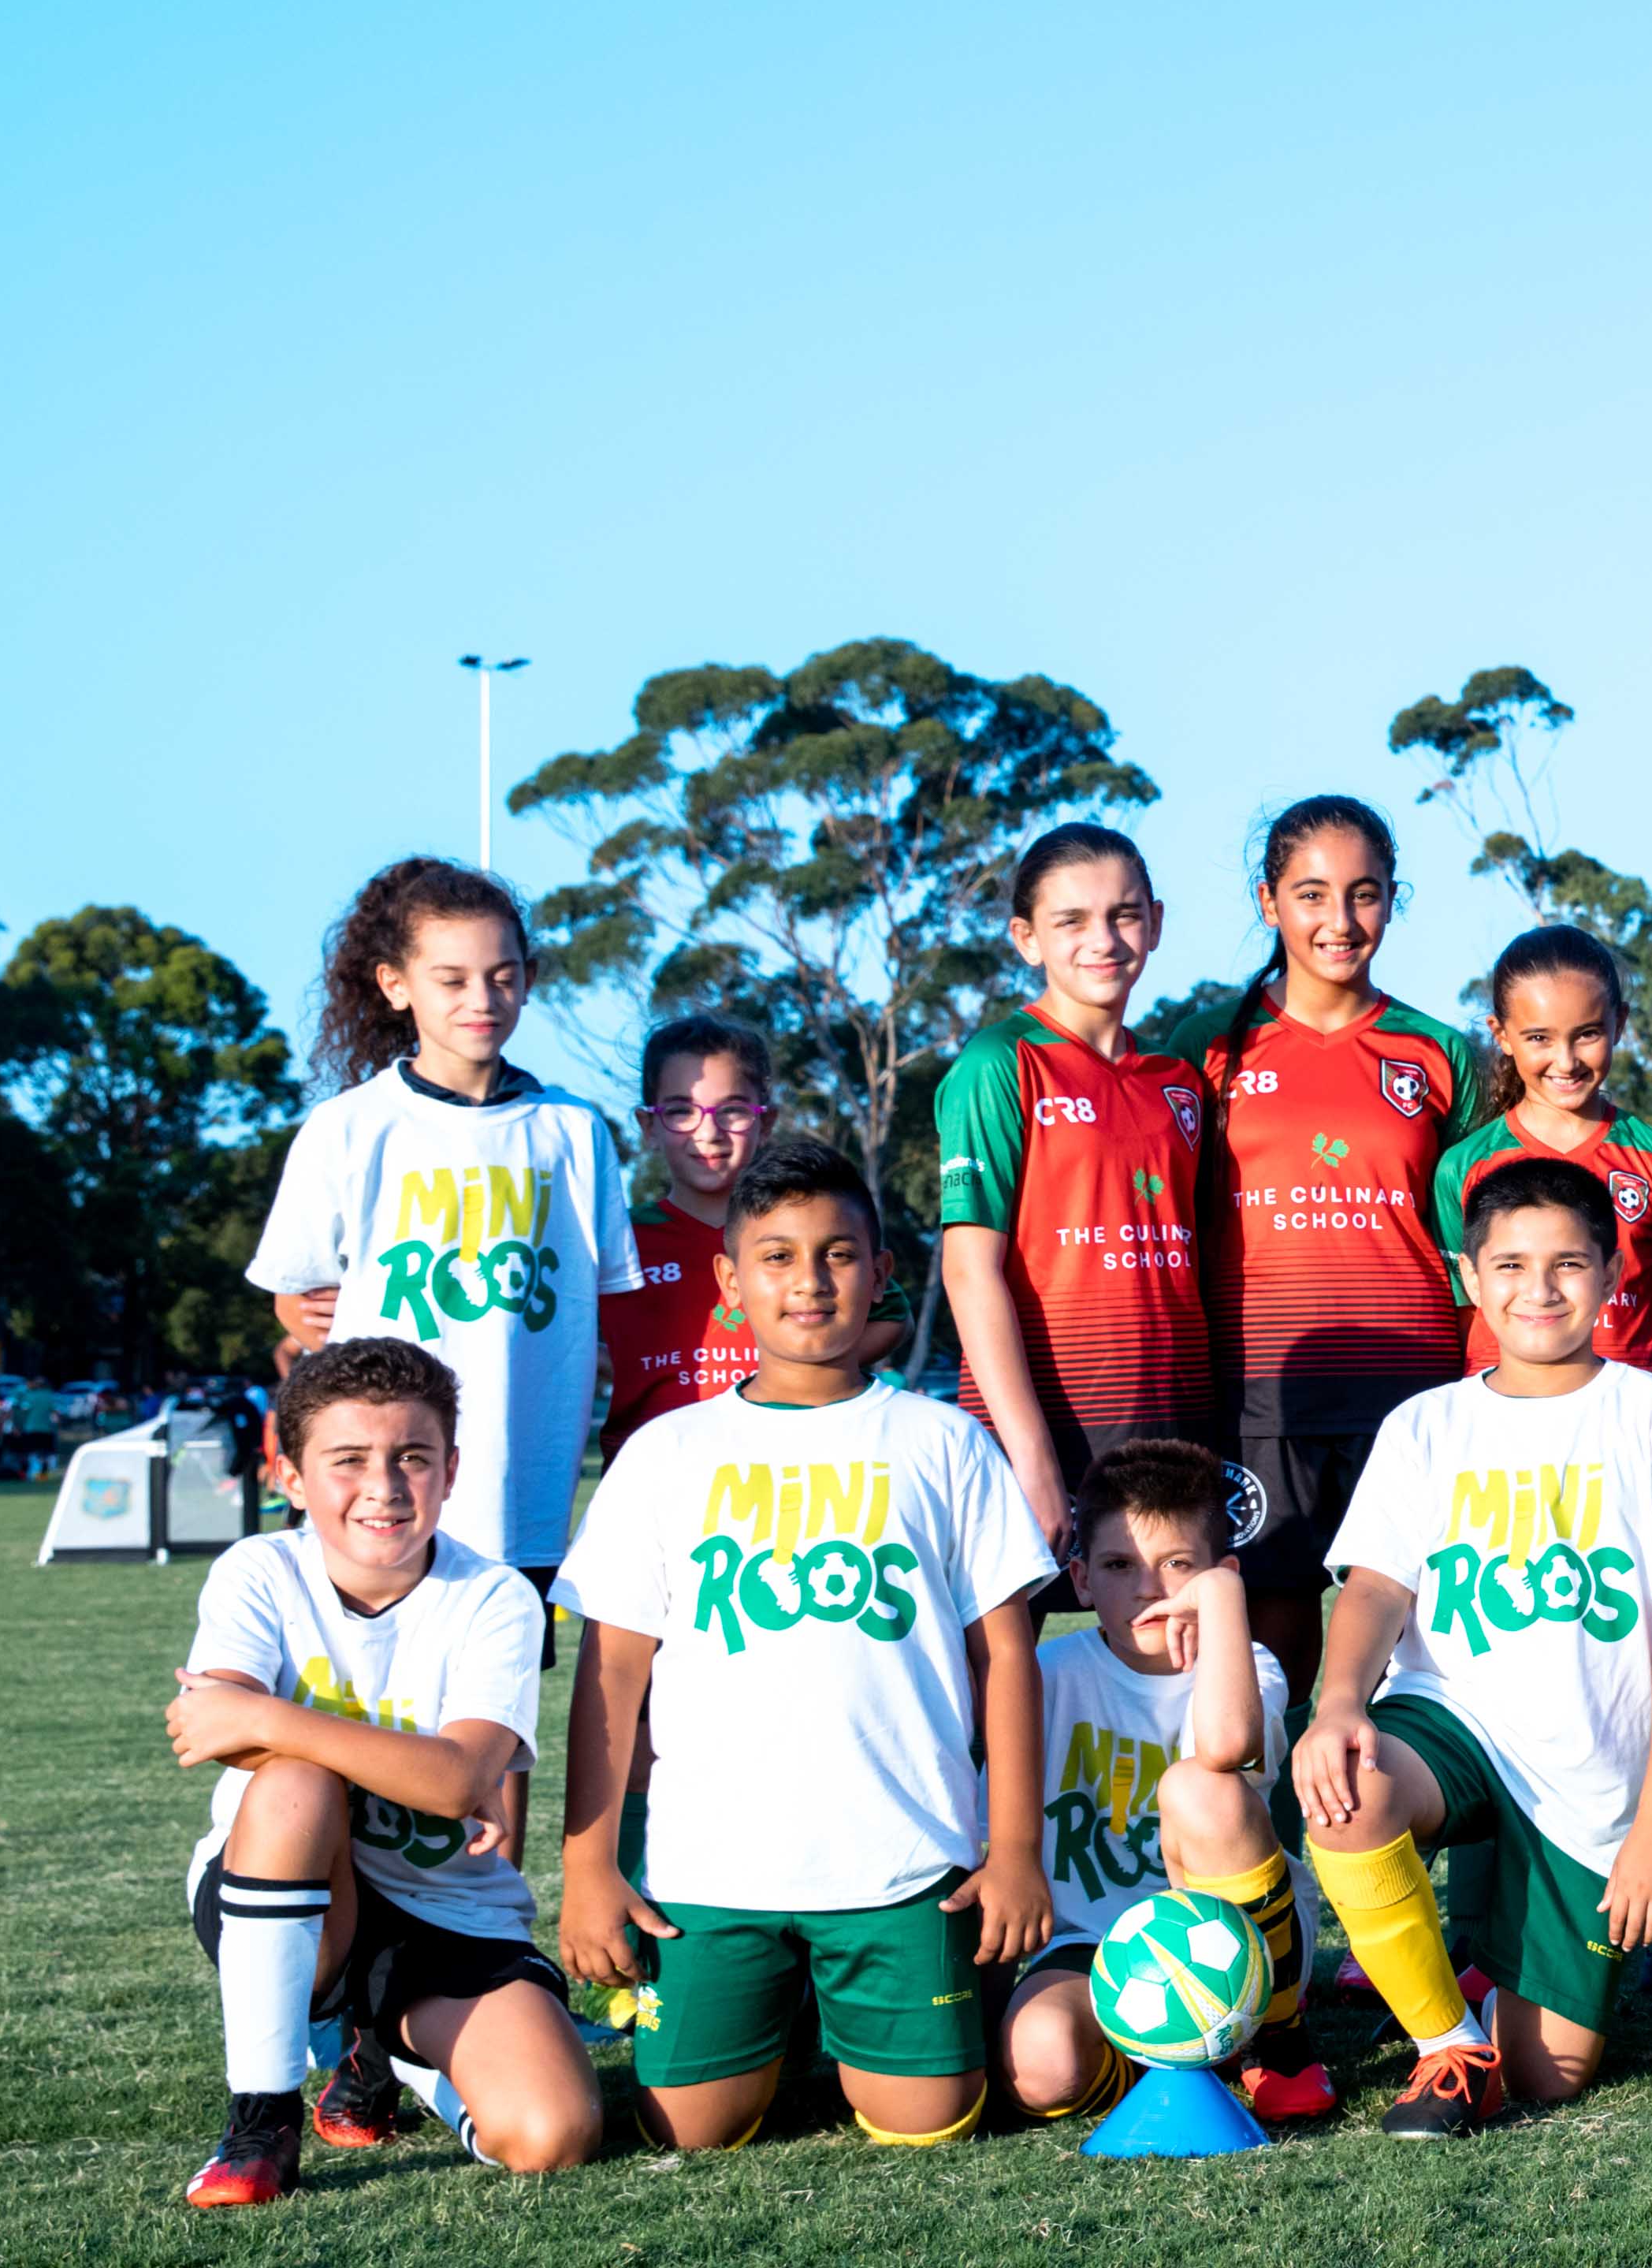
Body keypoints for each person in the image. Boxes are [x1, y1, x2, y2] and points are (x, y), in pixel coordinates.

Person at [556, 1137, 1057, 2154]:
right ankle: (777, 2005)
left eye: (838, 1254)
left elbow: (1007, 1657)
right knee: (686, 2132)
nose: (810, 1281)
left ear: (880, 1272)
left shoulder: (940, 1440)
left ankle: (844, 2005)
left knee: (931, 2121)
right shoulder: (668, 1454)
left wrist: (1014, 1851)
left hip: (904, 1860)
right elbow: (611, 1677)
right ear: (729, 1281)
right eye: (777, 1256)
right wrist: (588, 1872)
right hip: (714, 1869)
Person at [1290, 1153, 1652, 2136]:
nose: (1537, 1290)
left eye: (1566, 1264)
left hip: (1588, 1773)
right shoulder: (1427, 1423)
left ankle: (1473, 1960)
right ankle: (1445, 2044)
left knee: (1555, 2074)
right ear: (1469, 1275)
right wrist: (1338, 1705)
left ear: (1614, 1269)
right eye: (1508, 1265)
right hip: (1453, 1719)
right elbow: (1376, 1584)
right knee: (1349, 1792)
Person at [171, 1337, 596, 2204]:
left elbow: (453, 1784)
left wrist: (270, 1717)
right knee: (296, 1787)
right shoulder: (258, 1571)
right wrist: (416, 1769)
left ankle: (397, 2058)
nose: (384, 1486)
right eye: (348, 1460)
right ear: (289, 1475)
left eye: (412, 1457)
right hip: (297, 1890)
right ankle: (262, 2124)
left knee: (553, 2136)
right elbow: (210, 1732)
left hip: (447, 1912)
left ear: (452, 1469)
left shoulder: (497, 1597)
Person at [251, 856, 637, 1587]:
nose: (482, 998)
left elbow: (607, 1308)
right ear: (396, 985)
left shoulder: (574, 1130)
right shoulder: (348, 1127)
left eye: (502, 974)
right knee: (372, 1699)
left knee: (501, 1698)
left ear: (528, 976)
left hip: (524, 1499)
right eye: (452, 980)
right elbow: (295, 1306)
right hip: (384, 1505)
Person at [1198, 796, 1479, 1695]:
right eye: (1312, 894)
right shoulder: (1209, 1051)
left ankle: (1394, 1835)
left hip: (1411, 1396)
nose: (1340, 920)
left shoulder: (1436, 1053)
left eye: (1364, 894)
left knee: (1415, 1654)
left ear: (1393, 900)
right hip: (1264, 1395)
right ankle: (1266, 1838)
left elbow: (1479, 1232)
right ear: (1267, 900)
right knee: (1272, 1660)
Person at [1001, 1436, 1308, 2128]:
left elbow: (1229, 1746)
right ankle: (1169, 2063)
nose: (1149, 1588)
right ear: (1079, 1580)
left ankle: (1278, 2043)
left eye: (1179, 1566)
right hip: (1095, 1942)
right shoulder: (1049, 1675)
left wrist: (1224, 1599)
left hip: (1238, 1939)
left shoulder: (1248, 1663)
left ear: (1220, 1572)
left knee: (1200, 1787)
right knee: (1041, 2067)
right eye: (1118, 1565)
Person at [936, 823, 1208, 1546]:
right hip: (1047, 1433)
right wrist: (1031, 1458)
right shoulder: (999, 1063)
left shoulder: (1181, 1081)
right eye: (1071, 921)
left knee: (1175, 1649)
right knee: (1005, 1656)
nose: (1105, 940)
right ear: (1027, 938)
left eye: (1124, 915)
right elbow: (969, 1272)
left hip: (1174, 1423)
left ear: (1154, 923)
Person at [1432, 924, 1652, 1380]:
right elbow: (1462, 1308)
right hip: (1505, 1417)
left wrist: (1646, 1381)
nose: (1567, 1060)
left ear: (1621, 1024)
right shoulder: (1463, 1167)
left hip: (1627, 1415)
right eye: (1539, 1038)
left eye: (1587, 1034)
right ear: (1501, 1035)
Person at [602, 1011, 784, 1457]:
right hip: (651, 1486)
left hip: (779, 1474)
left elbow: (891, 1318)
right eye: (681, 1111)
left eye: (733, 1111)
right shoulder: (614, 1241)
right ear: (648, 1127)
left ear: (766, 1123)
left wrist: (800, 1369)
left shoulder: (797, 1232)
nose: (708, 1131)